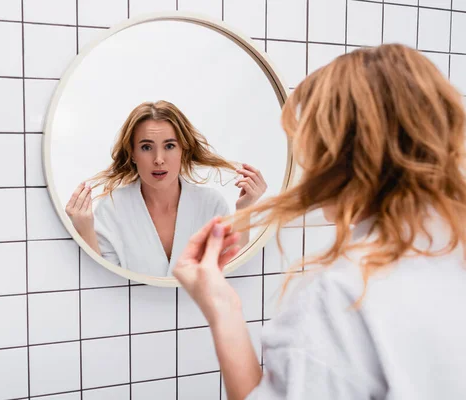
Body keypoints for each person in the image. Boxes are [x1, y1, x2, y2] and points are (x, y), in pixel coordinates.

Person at [173, 44, 466, 399]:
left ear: (336, 154)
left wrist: (221, 309)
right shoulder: (450, 252)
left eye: (306, 143)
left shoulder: (340, 294)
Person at [66, 100, 267, 276]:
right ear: (133, 154)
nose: (159, 160)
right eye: (146, 147)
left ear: (183, 150)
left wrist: (245, 210)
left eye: (169, 146)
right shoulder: (112, 209)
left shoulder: (211, 204)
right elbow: (104, 284)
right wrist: (84, 230)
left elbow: (231, 271)